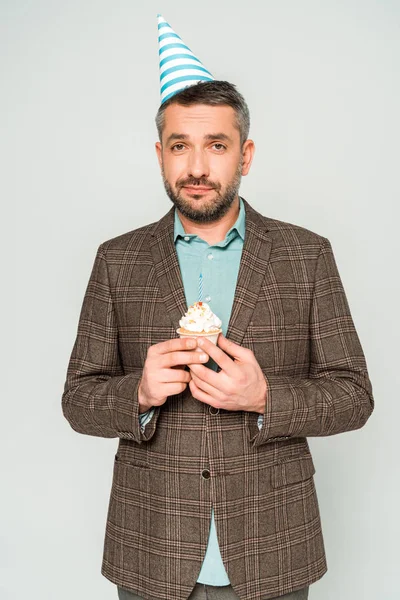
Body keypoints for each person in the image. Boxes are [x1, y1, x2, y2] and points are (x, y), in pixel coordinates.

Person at [62, 15, 374, 600]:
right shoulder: (117, 261)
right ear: (160, 154)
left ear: (245, 154)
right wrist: (138, 392)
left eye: (217, 145)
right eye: (180, 146)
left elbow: (355, 395)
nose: (198, 167)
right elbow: (78, 400)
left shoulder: (305, 256)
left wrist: (264, 397)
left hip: (272, 551)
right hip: (151, 549)